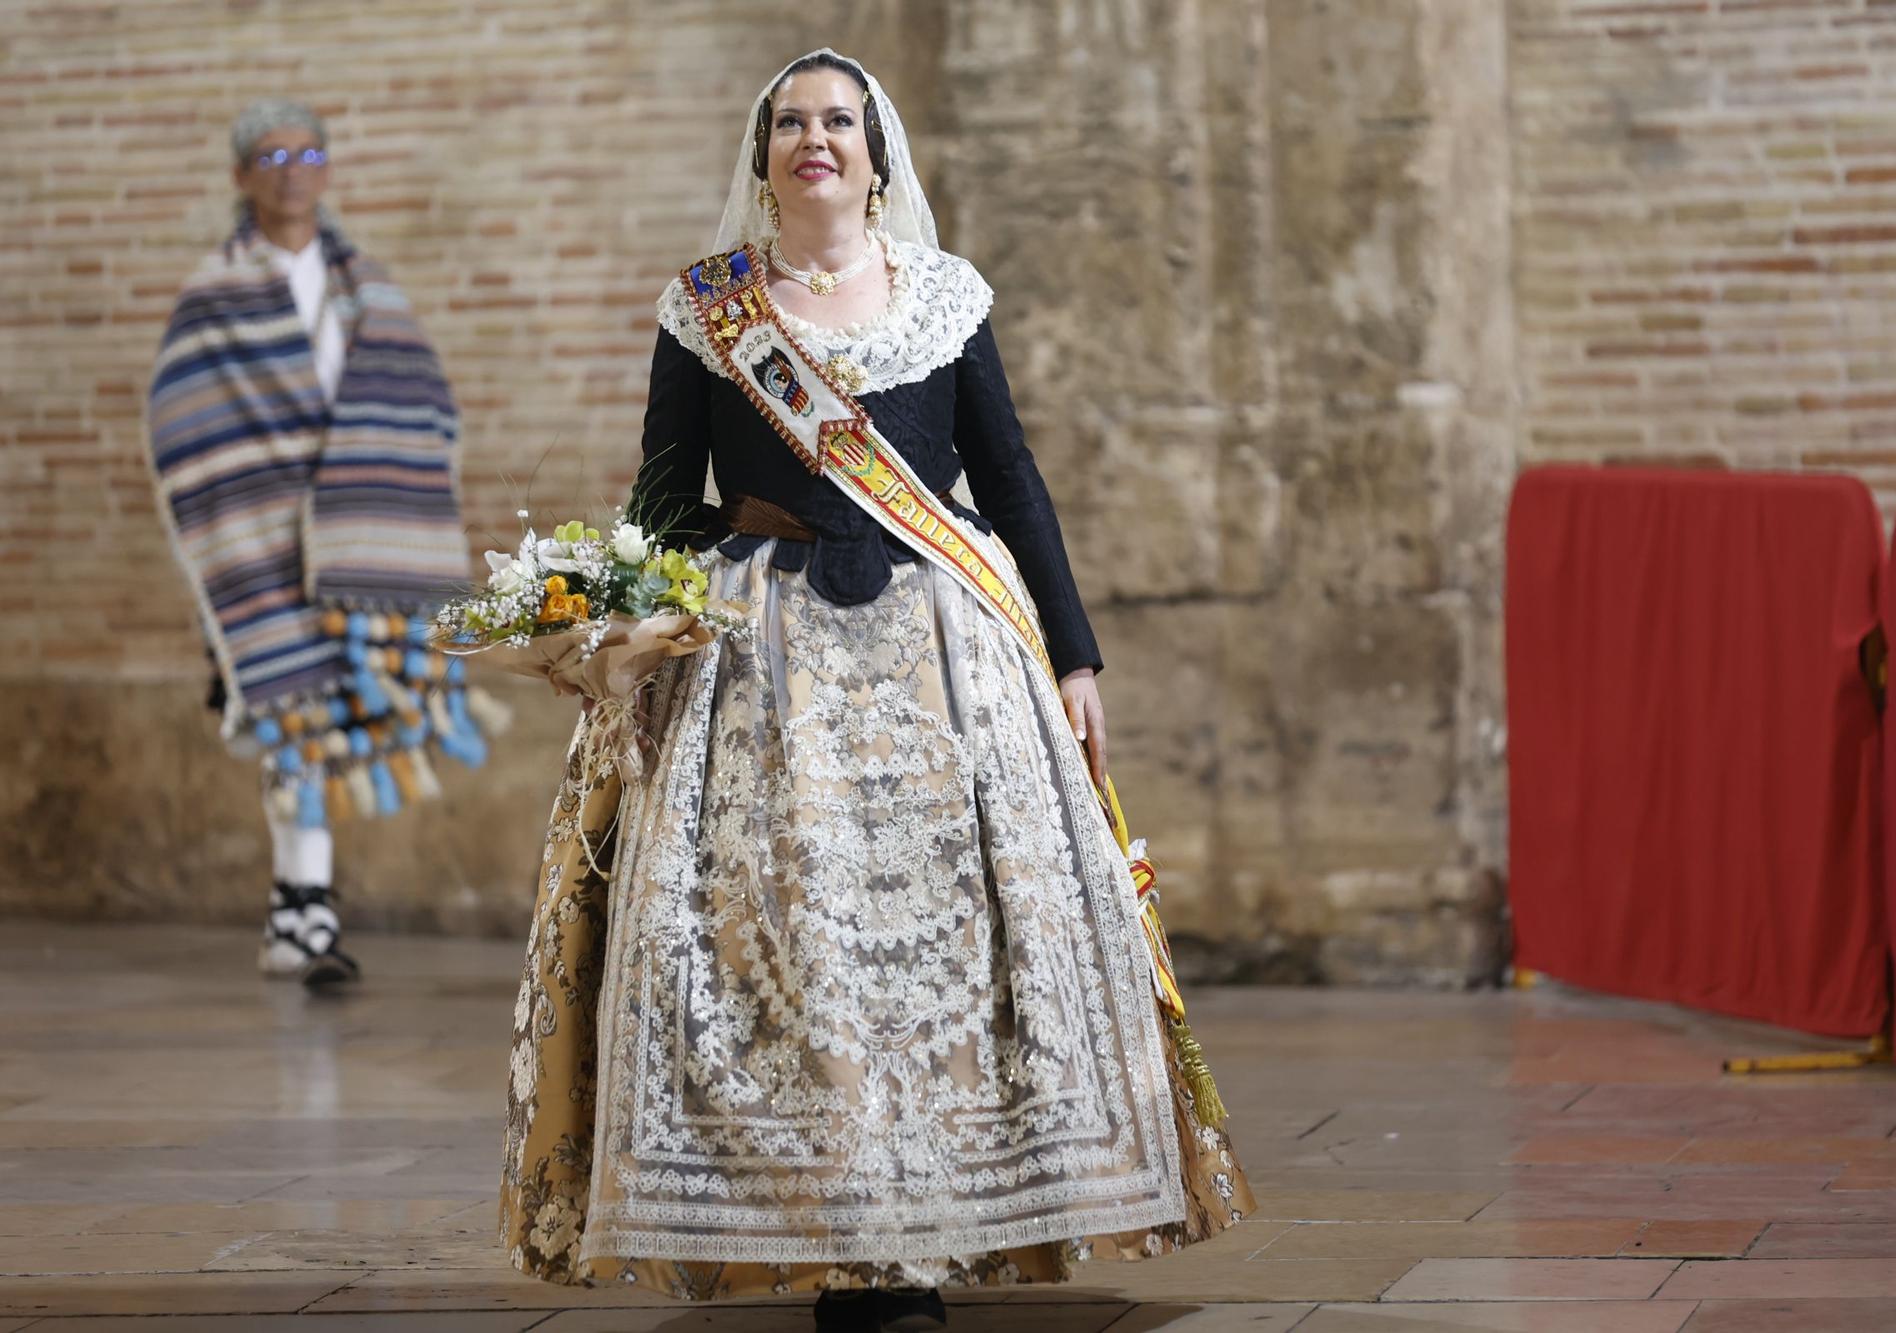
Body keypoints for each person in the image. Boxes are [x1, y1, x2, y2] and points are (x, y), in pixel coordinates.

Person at [500, 51, 1252, 1332]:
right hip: (762, 657)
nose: (814, 142)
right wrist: (614, 613)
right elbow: (664, 495)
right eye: (789, 124)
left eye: (837, 121)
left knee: (952, 936)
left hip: (945, 654)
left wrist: (1071, 656)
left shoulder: (944, 300)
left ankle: (947, 1219)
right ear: (762, 157)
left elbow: (1008, 482)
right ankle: (848, 1241)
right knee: (791, 941)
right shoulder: (708, 309)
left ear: (875, 151)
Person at [146, 99, 498, 989]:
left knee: (328, 719)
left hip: (360, 540)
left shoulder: (369, 285)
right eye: (270, 155)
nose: (291, 169)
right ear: (241, 176)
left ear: (328, 168)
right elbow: (184, 419)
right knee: (287, 717)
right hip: (262, 539)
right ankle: (300, 910)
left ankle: (302, 911)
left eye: (308, 152)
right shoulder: (213, 296)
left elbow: (425, 406)